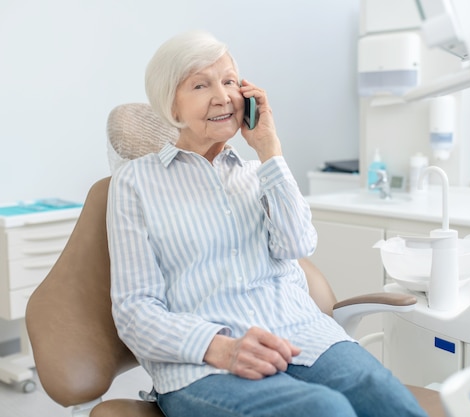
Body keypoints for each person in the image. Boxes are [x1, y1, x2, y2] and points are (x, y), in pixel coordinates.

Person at [107, 30, 428, 417]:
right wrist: (221, 347)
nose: (223, 96)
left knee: (385, 397)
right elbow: (135, 310)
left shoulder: (259, 172)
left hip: (302, 334)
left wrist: (269, 148)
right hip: (205, 364)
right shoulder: (135, 183)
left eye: (229, 81)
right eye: (200, 84)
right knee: (324, 410)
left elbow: (298, 244)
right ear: (171, 107)